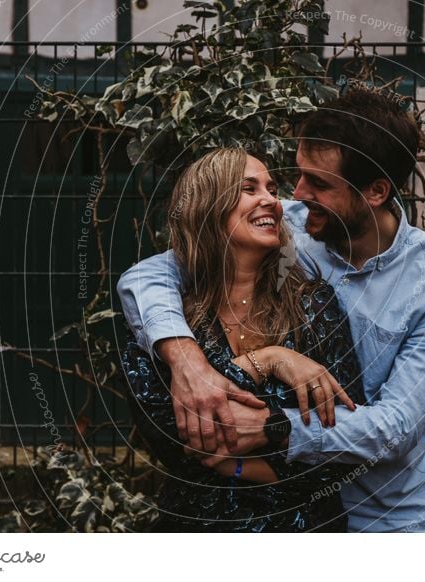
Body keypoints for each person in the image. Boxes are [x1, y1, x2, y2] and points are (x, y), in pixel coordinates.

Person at [118, 89, 425, 532]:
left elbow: (396, 427)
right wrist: (187, 360)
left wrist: (271, 429)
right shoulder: (289, 224)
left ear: (377, 191)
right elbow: (147, 276)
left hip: (386, 514)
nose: (297, 194)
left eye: (319, 183)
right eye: (301, 175)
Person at [121, 148, 365, 532]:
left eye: (271, 187)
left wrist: (239, 465)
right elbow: (172, 438)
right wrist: (264, 360)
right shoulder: (169, 316)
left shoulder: (314, 305)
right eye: (248, 189)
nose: (271, 199)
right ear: (207, 207)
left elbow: (344, 440)